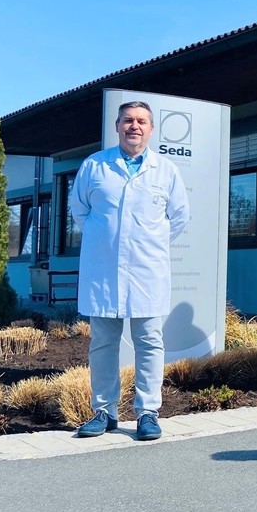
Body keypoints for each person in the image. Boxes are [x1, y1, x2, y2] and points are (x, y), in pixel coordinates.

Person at [70, 101, 190, 441]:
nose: (133, 126)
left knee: (149, 342)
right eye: (127, 121)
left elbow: (179, 217)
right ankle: (103, 412)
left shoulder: (165, 170)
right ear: (118, 126)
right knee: (103, 342)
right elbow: (79, 210)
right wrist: (103, 240)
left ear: (151, 129)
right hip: (104, 271)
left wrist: (149, 244)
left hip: (147, 271)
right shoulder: (94, 166)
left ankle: (147, 412)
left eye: (141, 121)